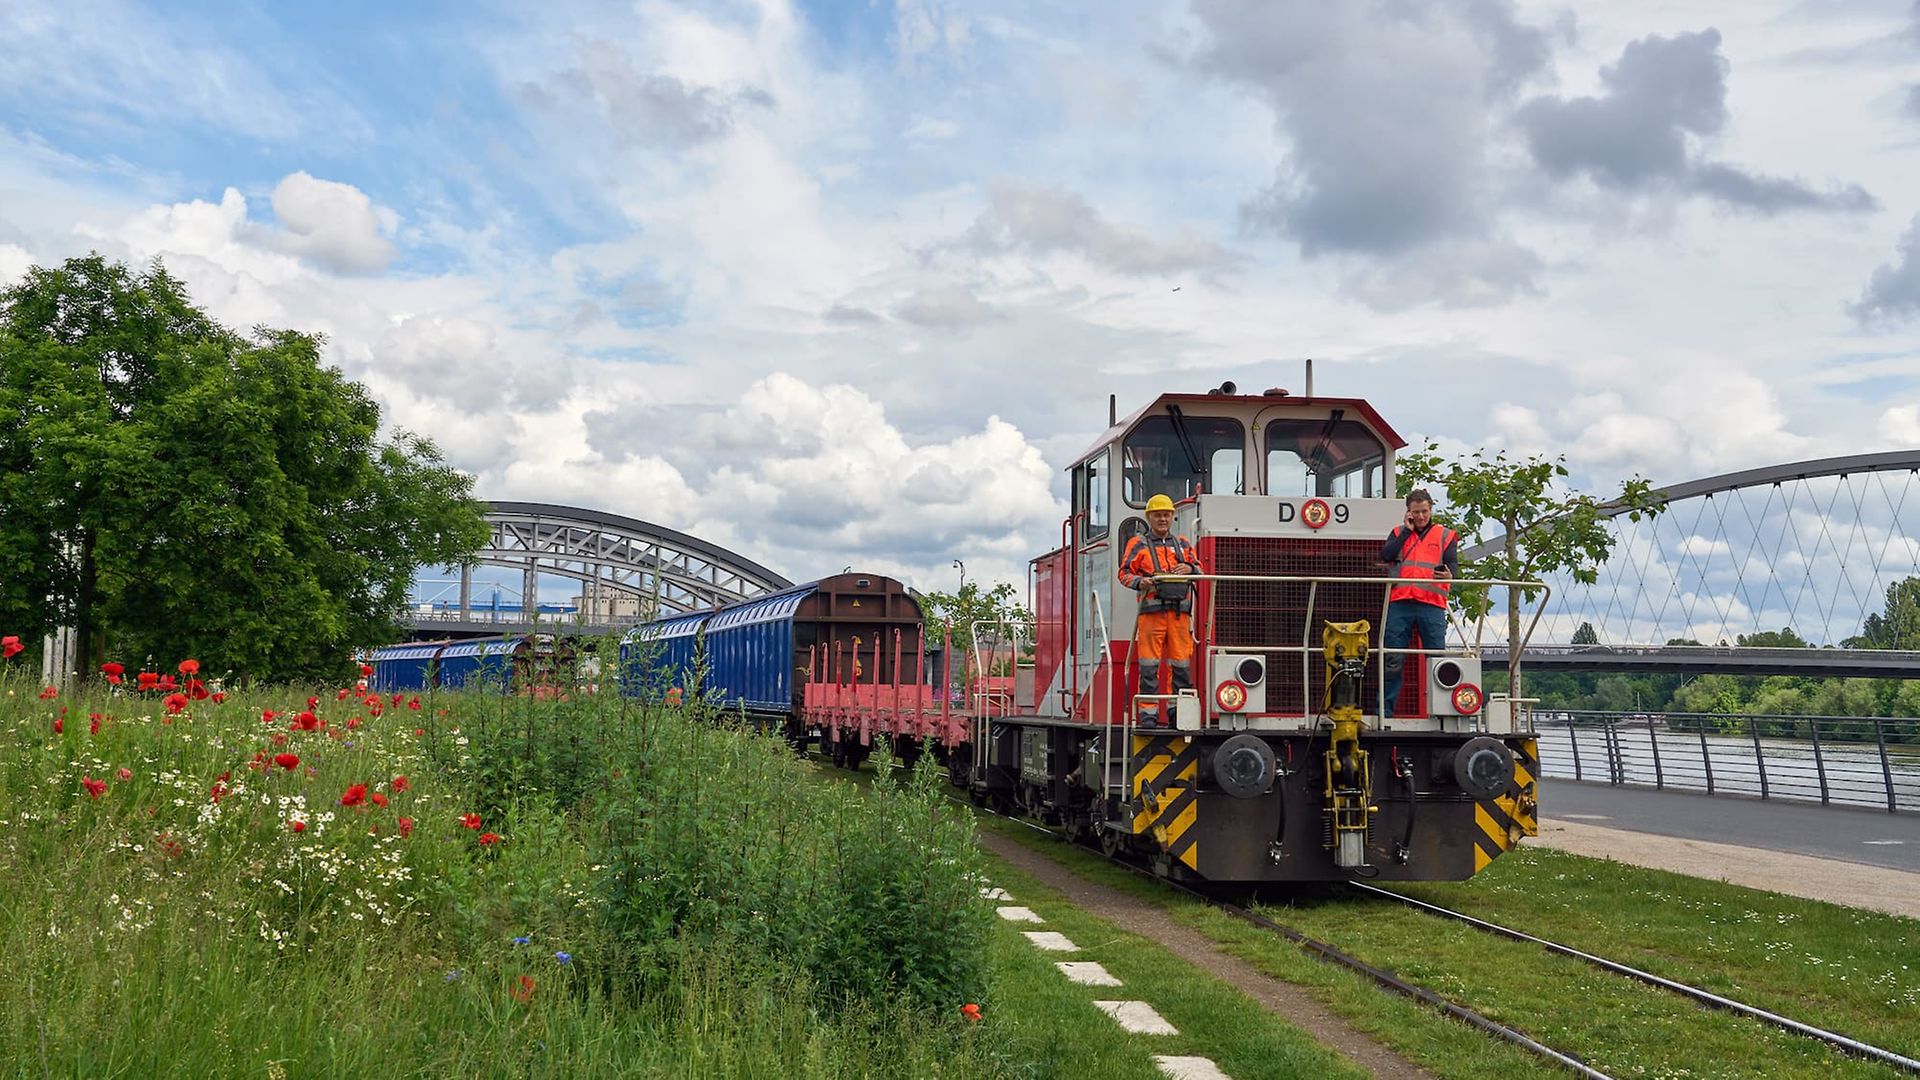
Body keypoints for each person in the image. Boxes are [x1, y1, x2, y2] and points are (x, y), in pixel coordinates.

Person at [1119, 494, 1201, 728]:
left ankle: (1179, 713)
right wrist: (1140, 582)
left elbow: (1201, 570)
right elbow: (1124, 573)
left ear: (1172, 517)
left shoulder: (1184, 545)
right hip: (1151, 616)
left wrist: (1190, 567)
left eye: (1166, 514)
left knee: (1182, 667)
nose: (1162, 519)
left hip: (1180, 616)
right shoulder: (1138, 544)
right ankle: (1148, 715)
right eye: (1158, 515)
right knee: (1149, 666)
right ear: (1149, 518)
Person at [1379, 488, 1460, 717]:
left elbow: (1453, 565)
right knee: (1392, 657)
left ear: (1431, 509)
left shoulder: (1446, 535)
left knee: (1436, 658)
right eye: (1416, 512)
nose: (1421, 516)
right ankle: (1385, 711)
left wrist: (1450, 575)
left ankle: (1441, 711)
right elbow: (1387, 555)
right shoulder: (1397, 532)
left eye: (1424, 511)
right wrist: (1407, 531)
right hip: (1401, 602)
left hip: (1432, 604)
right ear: (1409, 512)